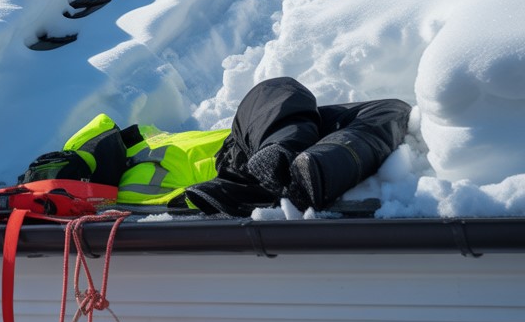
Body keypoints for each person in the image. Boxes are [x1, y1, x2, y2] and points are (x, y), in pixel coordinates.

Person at [22, 77, 411, 216]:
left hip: (254, 151)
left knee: (387, 110)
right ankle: (284, 160)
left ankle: (316, 170)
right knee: (273, 90)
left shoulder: (135, 148)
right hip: (237, 162)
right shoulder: (103, 175)